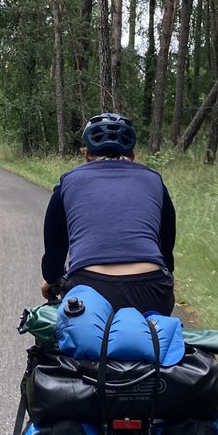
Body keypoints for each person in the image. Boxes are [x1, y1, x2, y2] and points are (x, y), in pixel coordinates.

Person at [40, 111, 176, 316]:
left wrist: (52, 279)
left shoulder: (68, 181)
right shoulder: (154, 180)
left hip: (89, 288)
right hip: (153, 290)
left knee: (67, 338)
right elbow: (166, 247)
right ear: (132, 156)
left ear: (86, 154)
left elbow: (54, 248)